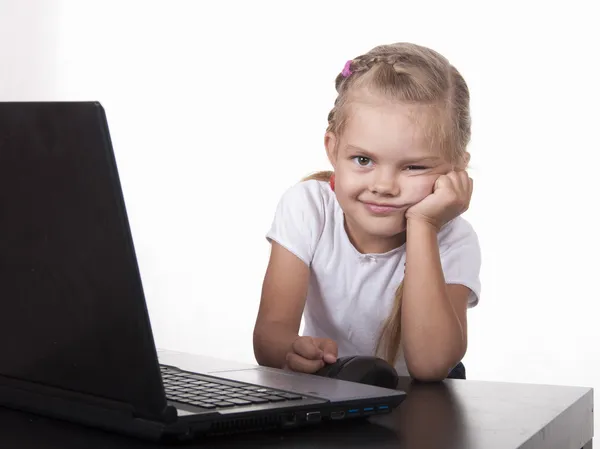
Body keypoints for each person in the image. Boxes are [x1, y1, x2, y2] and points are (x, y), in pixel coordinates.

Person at [253, 42, 481, 382]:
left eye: (414, 167)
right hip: (337, 389)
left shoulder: (453, 238)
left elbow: (431, 365)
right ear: (332, 149)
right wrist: (292, 350)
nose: (384, 185)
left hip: (423, 406)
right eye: (363, 160)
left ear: (457, 169)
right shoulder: (308, 209)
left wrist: (422, 224)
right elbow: (270, 336)